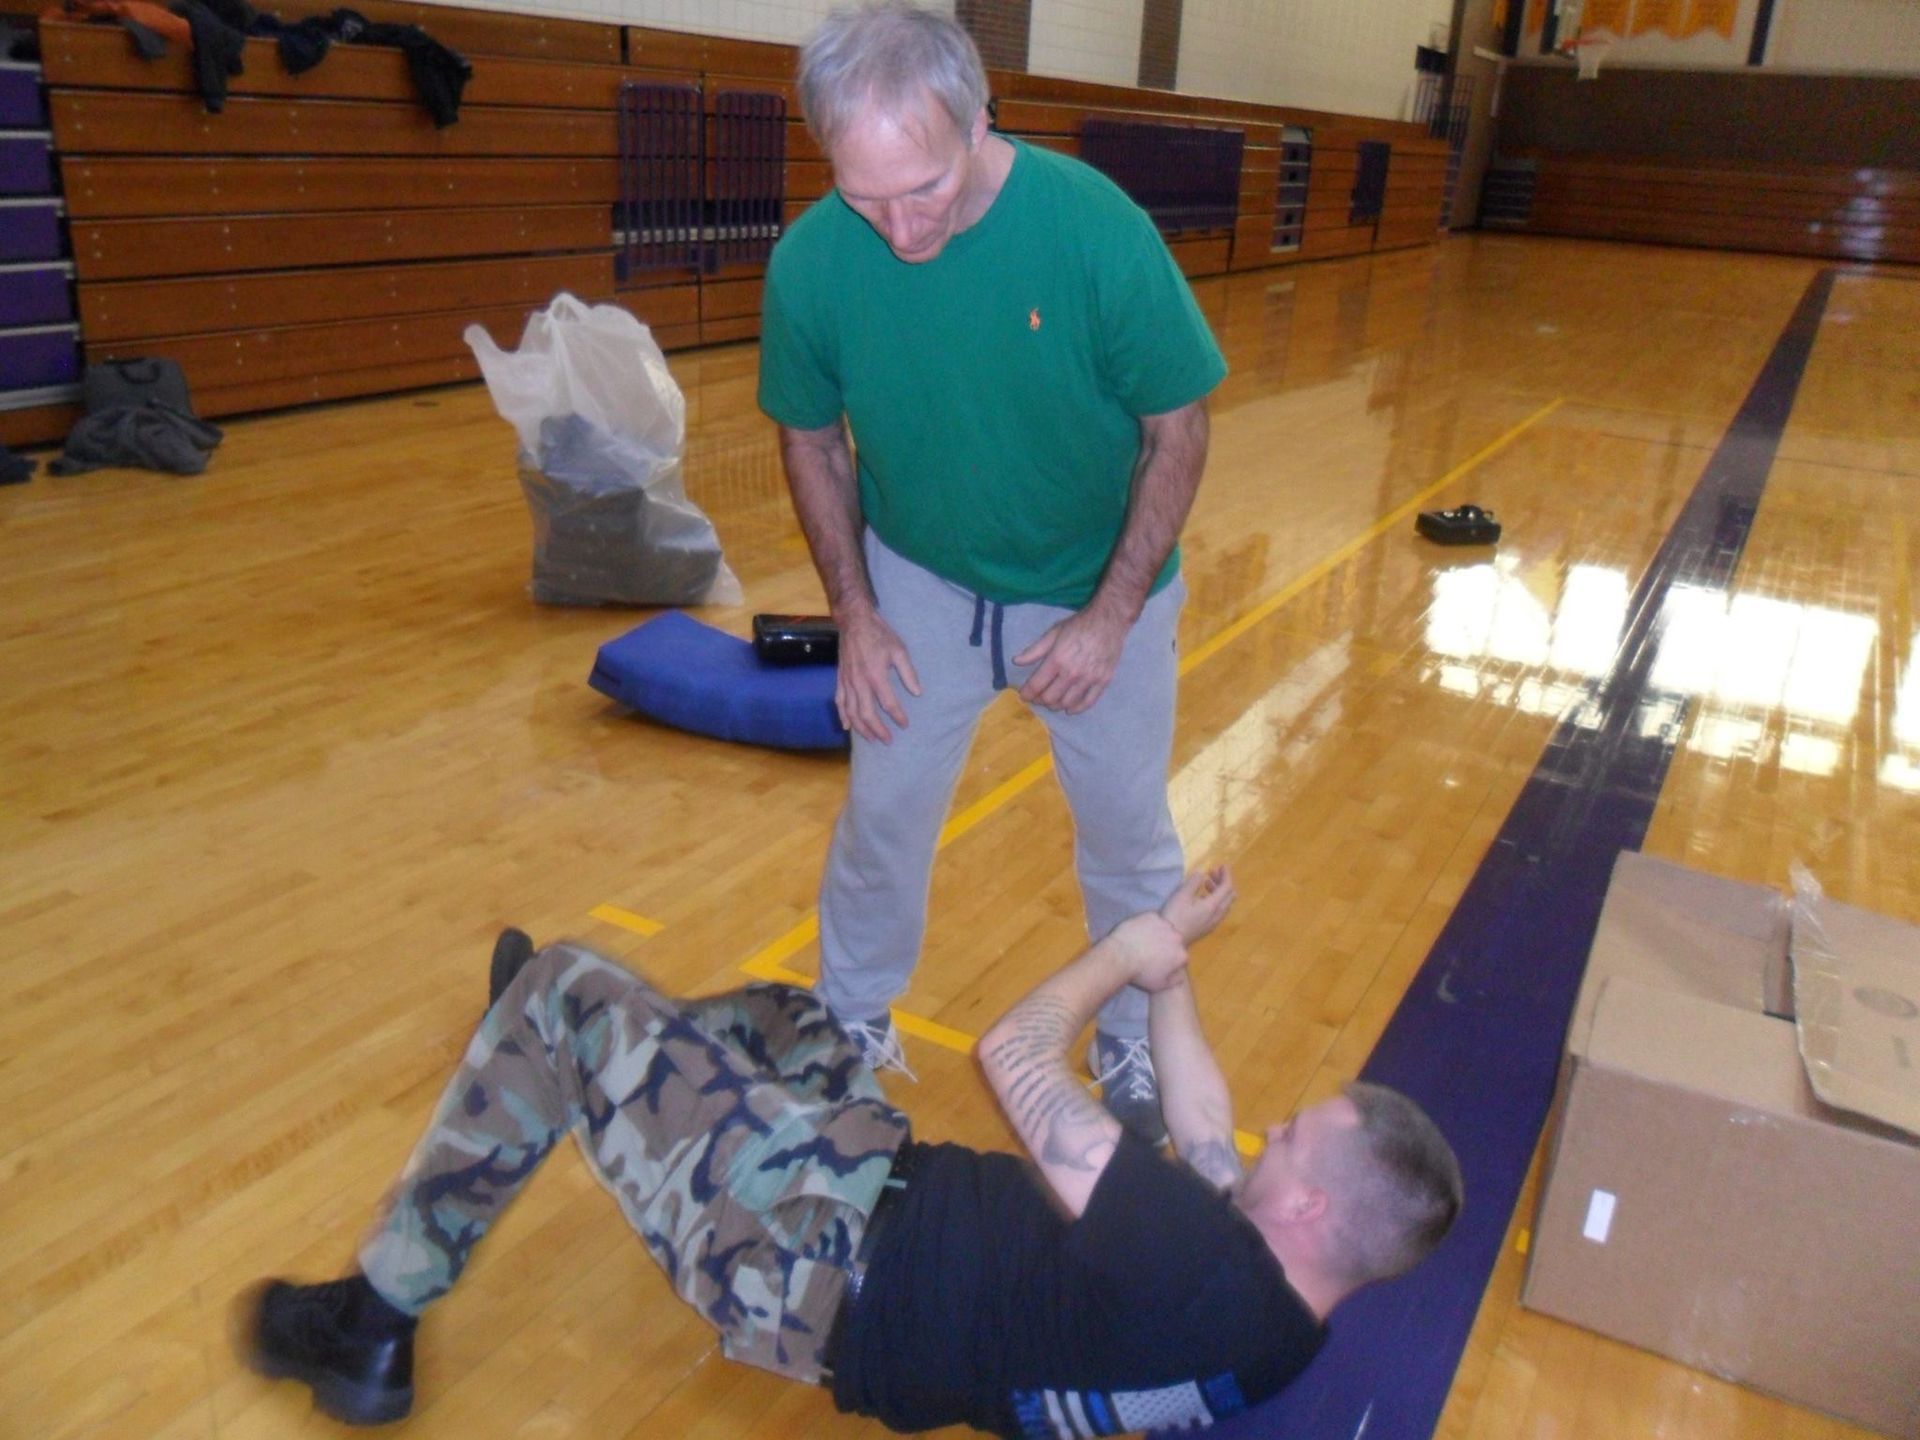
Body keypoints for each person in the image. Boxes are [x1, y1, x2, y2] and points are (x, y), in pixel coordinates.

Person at [242, 868, 1464, 1436]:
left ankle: (373, 1321)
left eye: (1294, 1137)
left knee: (564, 981)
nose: (1267, 1128)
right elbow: (1203, 1131)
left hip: (807, 1253)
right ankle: (579, 1063)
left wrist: (1119, 955)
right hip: (872, 1208)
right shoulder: (1278, 1313)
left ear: (1311, 1209)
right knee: (801, 1023)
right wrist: (1174, 967)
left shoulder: (1195, 1264)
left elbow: (1015, 1052)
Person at [756, 1, 1228, 1140]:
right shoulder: (814, 260)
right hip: (919, 581)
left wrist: (1112, 616)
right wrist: (857, 615)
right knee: (882, 817)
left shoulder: (1094, 231)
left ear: (978, 122)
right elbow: (811, 442)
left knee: (1125, 834)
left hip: (1095, 583)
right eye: (864, 196)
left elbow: (1178, 428)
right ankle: (848, 1022)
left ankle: (1133, 1036)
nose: (899, 227)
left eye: (922, 188)